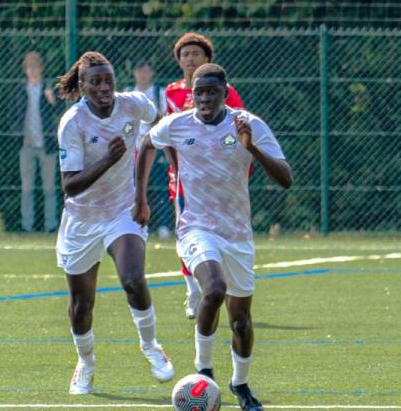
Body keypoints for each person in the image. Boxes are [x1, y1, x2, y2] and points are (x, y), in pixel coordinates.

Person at [134, 63, 293, 411]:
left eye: (211, 92)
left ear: (225, 93)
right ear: (191, 94)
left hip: (237, 235)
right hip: (195, 228)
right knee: (214, 288)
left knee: (241, 321)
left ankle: (241, 384)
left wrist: (252, 148)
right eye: (198, 92)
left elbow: (286, 178)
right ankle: (203, 371)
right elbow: (147, 143)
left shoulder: (247, 124)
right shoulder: (177, 125)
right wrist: (140, 197)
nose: (204, 98)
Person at [55, 51, 174, 394]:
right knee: (81, 305)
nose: (105, 87)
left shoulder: (134, 104)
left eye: (108, 80)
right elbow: (70, 184)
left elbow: (161, 122)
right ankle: (86, 364)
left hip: (123, 211)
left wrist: (151, 152)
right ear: (82, 86)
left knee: (133, 279)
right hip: (82, 219)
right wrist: (108, 159)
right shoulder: (73, 122)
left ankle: (151, 347)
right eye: (96, 82)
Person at [165, 32, 246, 319]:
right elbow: (166, 135)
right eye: (185, 54)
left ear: (207, 58)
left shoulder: (225, 91)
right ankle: (193, 289)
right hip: (185, 179)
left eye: (195, 54)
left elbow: (239, 131)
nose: (190, 59)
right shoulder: (171, 92)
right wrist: (176, 168)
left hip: (220, 178)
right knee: (185, 230)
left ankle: (221, 282)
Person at [11, 51, 59, 233]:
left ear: (41, 68)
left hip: (47, 145)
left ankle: (50, 225)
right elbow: (13, 115)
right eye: (28, 67)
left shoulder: (49, 88)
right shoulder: (20, 91)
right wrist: (19, 135)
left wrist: (52, 100)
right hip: (27, 145)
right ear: (25, 69)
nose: (32, 70)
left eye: (35, 66)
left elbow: (62, 111)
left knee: (49, 188)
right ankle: (27, 225)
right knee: (27, 188)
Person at [125, 59, 172, 235]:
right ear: (134, 73)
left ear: (151, 73)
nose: (143, 74)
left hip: (156, 147)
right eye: (139, 70)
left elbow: (165, 118)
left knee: (161, 187)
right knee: (133, 188)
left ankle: (164, 225)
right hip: (134, 149)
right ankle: (134, 222)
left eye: (146, 70)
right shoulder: (128, 94)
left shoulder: (160, 93)